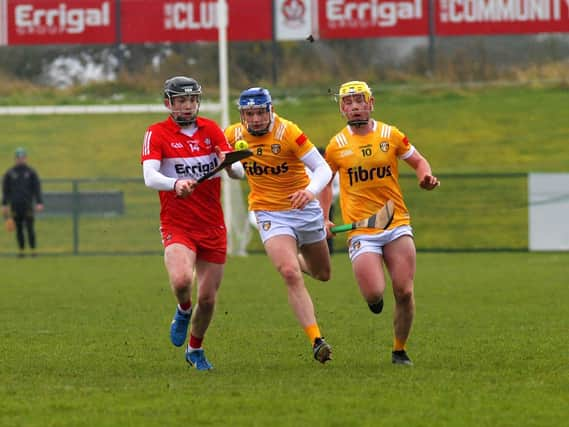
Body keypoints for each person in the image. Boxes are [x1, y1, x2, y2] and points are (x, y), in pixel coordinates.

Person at [319, 81, 439, 366]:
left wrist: (425, 177)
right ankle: (374, 300)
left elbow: (420, 162)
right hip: (361, 229)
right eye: (349, 102)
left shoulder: (391, 134)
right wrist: (324, 217)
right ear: (342, 108)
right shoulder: (337, 145)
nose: (355, 106)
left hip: (395, 222)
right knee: (374, 292)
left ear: (371, 103)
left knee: (405, 290)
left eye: (360, 100)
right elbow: (325, 182)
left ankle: (399, 350)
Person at [225, 87, 334, 364]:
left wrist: (309, 193)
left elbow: (322, 169)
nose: (256, 119)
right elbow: (241, 172)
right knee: (289, 273)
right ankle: (316, 340)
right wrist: (229, 168)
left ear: (270, 110)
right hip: (269, 211)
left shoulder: (288, 131)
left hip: (303, 207)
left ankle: (297, 257)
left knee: (322, 273)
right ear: (242, 115)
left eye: (261, 112)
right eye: (250, 113)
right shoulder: (233, 135)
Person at [141, 76, 238, 371]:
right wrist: (175, 183)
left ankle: (195, 349)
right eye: (181, 100)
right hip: (178, 223)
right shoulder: (156, 133)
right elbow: (149, 175)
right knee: (183, 280)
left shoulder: (212, 130)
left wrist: (233, 163)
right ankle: (183, 309)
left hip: (212, 226)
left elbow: (236, 173)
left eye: (192, 100)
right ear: (168, 103)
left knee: (207, 300)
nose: (187, 106)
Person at [2, 147, 44, 257]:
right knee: (19, 229)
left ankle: (33, 251)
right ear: (15, 159)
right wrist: (4, 204)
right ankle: (21, 252)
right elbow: (6, 190)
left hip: (28, 205)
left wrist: (39, 202)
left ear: (26, 158)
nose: (20, 159)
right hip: (15, 206)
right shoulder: (10, 173)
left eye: (22, 157)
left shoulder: (31, 172)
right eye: (18, 158)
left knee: (30, 229)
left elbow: (37, 188)